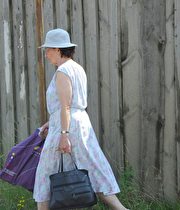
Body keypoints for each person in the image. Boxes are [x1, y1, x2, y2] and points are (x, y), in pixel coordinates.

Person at [33, 28, 129, 210]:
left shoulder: (63, 71)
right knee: (93, 167)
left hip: (68, 127)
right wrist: (51, 121)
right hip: (78, 123)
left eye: (48, 50)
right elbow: (71, 105)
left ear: (58, 50)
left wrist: (63, 135)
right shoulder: (77, 68)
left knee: (45, 173)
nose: (46, 55)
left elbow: (67, 106)